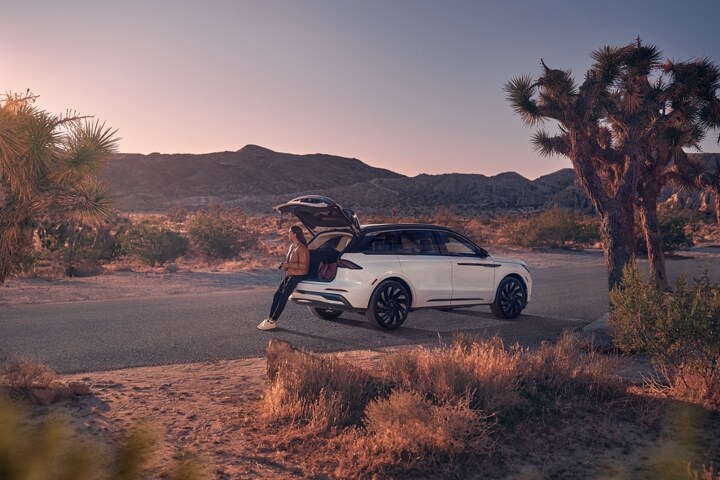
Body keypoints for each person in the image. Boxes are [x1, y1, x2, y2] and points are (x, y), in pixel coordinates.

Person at [257, 225, 310, 330]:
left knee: (283, 297)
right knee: (277, 295)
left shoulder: (302, 248)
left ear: (294, 234)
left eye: (289, 232)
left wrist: (288, 265)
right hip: (291, 274)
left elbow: (304, 266)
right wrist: (284, 265)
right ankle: (269, 318)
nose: (288, 234)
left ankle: (273, 321)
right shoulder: (292, 246)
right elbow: (291, 262)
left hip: (298, 275)